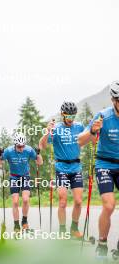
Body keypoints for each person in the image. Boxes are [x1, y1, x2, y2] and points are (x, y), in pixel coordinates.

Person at [78, 81, 119, 258]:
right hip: (105, 165)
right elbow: (81, 141)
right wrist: (93, 132)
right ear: (113, 100)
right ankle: (102, 244)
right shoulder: (103, 117)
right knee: (109, 206)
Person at [39, 101, 84, 238]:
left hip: (76, 167)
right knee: (63, 201)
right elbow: (42, 145)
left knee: (78, 201)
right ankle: (62, 231)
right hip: (62, 168)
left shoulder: (79, 127)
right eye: (68, 117)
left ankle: (74, 228)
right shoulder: (56, 129)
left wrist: (96, 133)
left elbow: (90, 138)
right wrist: (47, 132)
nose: (71, 120)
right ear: (62, 115)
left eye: (73, 117)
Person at [0, 132, 43, 233]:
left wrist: (38, 154)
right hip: (14, 177)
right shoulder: (8, 151)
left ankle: (24, 222)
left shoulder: (29, 150)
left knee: (25, 200)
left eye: (23, 146)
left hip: (25, 176)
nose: (21, 148)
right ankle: (16, 225)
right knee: (15, 201)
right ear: (15, 145)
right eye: (19, 146)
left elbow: (40, 162)